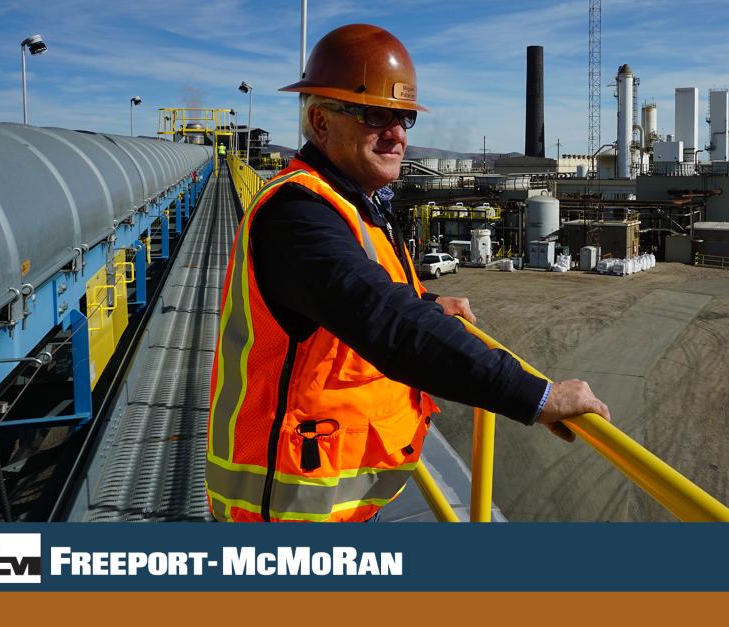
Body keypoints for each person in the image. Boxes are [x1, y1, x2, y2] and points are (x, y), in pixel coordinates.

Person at [206, 24, 609, 523]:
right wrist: (537, 395)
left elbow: (375, 294)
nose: (396, 133)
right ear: (321, 121)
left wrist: (428, 305)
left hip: (333, 499)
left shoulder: (358, 202)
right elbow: (384, 320)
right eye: (376, 114)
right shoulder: (297, 216)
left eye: (403, 117)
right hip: (286, 513)